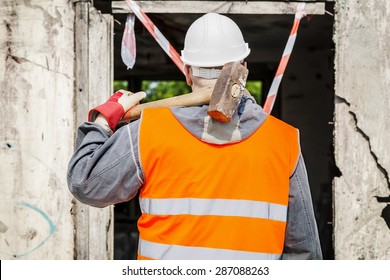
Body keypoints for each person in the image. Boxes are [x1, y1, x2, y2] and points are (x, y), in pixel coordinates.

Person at [67, 12, 322, 260]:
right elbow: (304, 251)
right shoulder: (283, 139)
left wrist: (101, 121)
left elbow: (85, 183)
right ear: (244, 69)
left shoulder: (148, 132)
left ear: (188, 72)